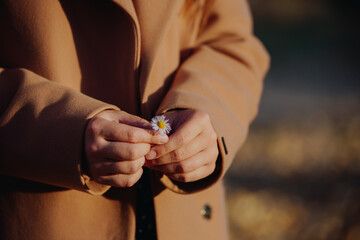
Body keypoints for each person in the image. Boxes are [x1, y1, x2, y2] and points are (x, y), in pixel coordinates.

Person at [0, 0, 269, 239]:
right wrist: (65, 131)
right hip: (45, 215)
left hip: (184, 217)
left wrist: (207, 108)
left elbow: (232, 42)